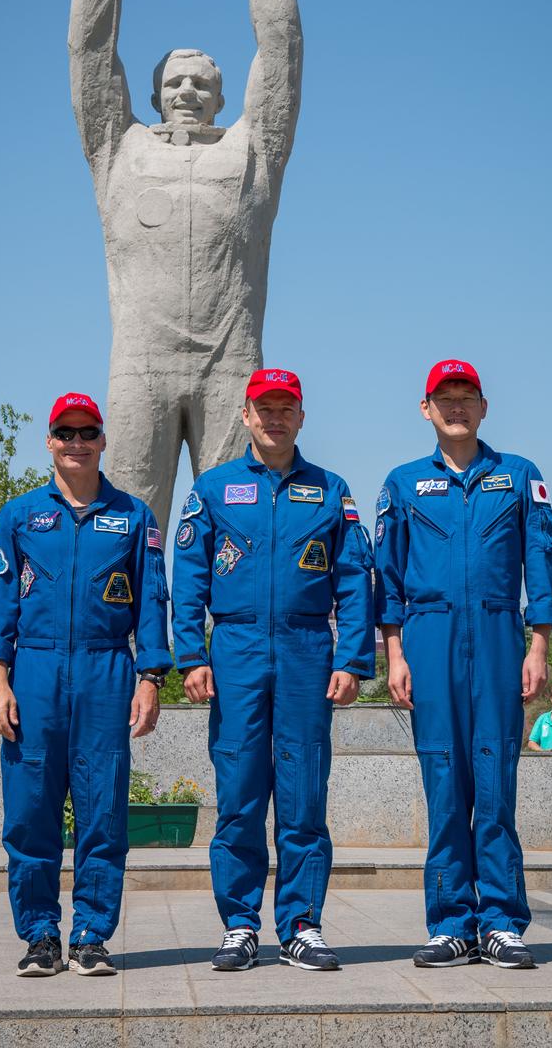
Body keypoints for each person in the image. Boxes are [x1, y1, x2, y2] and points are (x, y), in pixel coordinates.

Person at [69, 0, 303, 531]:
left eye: (203, 83)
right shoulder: (119, 150)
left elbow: (281, 54)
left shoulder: (252, 152)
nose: (188, 91)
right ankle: (125, 640)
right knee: (122, 535)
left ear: (223, 99)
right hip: (139, 366)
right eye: (174, 81)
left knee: (242, 534)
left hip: (230, 366)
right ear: (152, 94)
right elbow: (90, 52)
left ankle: (228, 640)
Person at [171, 368, 374, 972]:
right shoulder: (213, 489)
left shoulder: (331, 490)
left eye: (287, 408)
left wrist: (352, 659)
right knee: (238, 794)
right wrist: (193, 654)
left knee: (304, 794)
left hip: (308, 651)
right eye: (265, 408)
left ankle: (302, 925)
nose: (275, 417)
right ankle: (239, 924)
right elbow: (189, 581)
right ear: (246, 415)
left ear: (302, 417)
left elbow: (355, 582)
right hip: (234, 651)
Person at [0, 393, 171, 977]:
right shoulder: (19, 516)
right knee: (30, 811)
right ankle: (39, 934)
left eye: (88, 432)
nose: (77, 442)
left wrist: (150, 677)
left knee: (102, 810)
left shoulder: (135, 517)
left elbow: (153, 601)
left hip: (106, 669)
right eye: (66, 432)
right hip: (33, 673)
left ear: (104, 440)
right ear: (50, 442)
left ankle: (91, 933)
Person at [374, 360, 552, 970]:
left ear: (484, 408)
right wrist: (394, 654)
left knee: (496, 784)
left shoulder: (519, 476)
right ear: (425, 409)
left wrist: (539, 647)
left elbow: (542, 561)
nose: (456, 406)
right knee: (446, 786)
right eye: (444, 397)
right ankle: (452, 922)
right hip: (429, 640)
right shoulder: (402, 483)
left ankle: (502, 922)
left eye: (467, 396)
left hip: (501, 635)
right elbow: (389, 578)